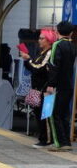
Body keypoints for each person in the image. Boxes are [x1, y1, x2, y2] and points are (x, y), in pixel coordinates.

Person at [19, 28, 57, 147]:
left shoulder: (49, 52)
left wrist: (27, 59)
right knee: (38, 113)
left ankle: (46, 139)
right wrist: (28, 60)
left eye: (42, 38)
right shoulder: (41, 52)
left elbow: (39, 67)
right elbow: (33, 67)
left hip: (45, 89)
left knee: (44, 114)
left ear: (49, 40)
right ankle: (43, 137)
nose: (39, 41)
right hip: (37, 87)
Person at [46, 20, 75, 151]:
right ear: (71, 33)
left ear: (57, 32)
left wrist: (50, 84)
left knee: (54, 114)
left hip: (58, 85)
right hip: (69, 84)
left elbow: (54, 65)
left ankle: (58, 143)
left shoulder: (57, 45)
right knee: (64, 114)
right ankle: (66, 142)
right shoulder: (73, 46)